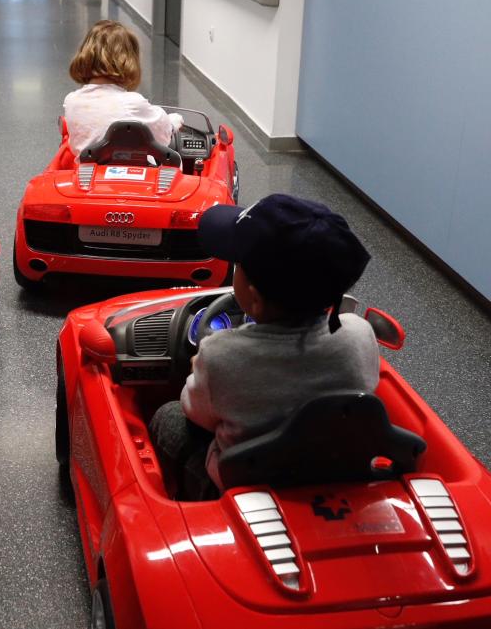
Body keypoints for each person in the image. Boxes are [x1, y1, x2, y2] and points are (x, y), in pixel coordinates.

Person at [149, 194, 379, 500]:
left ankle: (185, 501)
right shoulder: (359, 334)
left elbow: (196, 413)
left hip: (241, 485)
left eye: (238, 264)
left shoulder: (220, 355)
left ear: (254, 299)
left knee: (169, 416)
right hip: (337, 472)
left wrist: (197, 369)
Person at [63, 19, 184, 157]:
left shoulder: (72, 101)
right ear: (128, 60)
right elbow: (162, 136)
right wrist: (173, 123)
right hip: (130, 174)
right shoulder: (132, 103)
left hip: (85, 174)